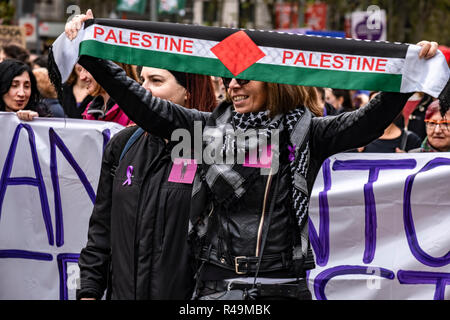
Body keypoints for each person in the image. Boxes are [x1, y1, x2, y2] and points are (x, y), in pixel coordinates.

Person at [65, 11, 443, 300]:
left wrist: (407, 77)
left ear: (274, 81)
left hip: (282, 284)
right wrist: (94, 52)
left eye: (243, 78)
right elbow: (145, 106)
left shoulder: (309, 133)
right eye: (229, 79)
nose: (233, 86)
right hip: (217, 284)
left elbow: (368, 123)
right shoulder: (206, 130)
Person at [76, 67, 218, 300]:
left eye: (156, 81)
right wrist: (88, 291)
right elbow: (100, 232)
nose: (144, 89)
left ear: (188, 92)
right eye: (142, 80)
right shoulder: (123, 145)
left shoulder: (218, 150)